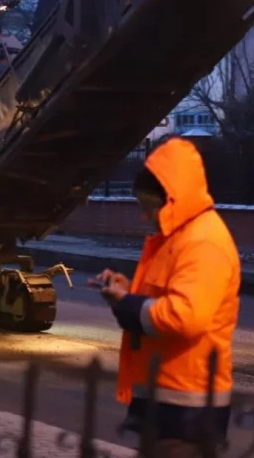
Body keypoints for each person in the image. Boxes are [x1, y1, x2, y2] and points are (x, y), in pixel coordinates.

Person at [92, 137, 241, 456]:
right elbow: (164, 301)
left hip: (187, 409)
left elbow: (186, 317)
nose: (145, 217)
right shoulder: (179, 240)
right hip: (171, 402)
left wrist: (127, 303)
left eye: (148, 207)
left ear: (172, 200)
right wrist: (126, 292)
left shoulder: (203, 243)